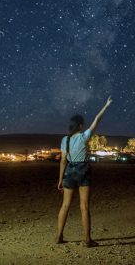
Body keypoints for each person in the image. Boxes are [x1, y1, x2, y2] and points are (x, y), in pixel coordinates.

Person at [56, 96, 113, 247]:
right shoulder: (84, 136)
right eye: (83, 124)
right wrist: (106, 106)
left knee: (65, 205)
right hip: (83, 170)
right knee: (84, 206)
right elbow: (97, 119)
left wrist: (60, 180)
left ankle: (59, 236)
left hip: (69, 170)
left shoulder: (64, 140)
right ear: (80, 126)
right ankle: (87, 239)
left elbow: (63, 161)